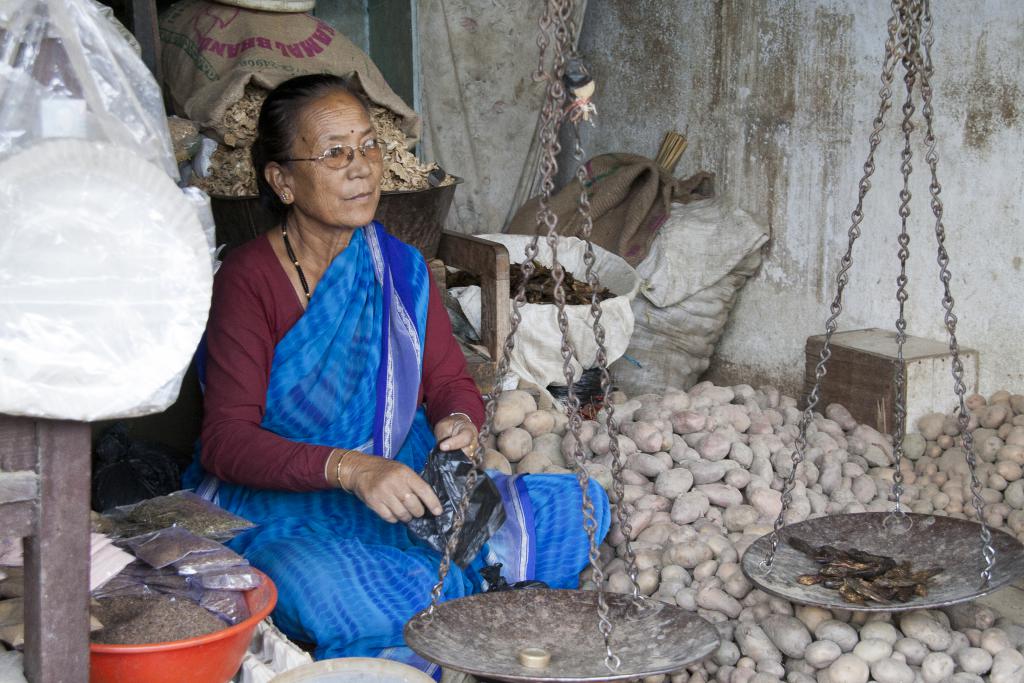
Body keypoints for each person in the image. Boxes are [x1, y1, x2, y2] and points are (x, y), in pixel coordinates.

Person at [184, 73, 610, 677]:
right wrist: (353, 469)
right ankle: (451, 604)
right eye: (334, 153)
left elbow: (449, 381)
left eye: (368, 146)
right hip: (285, 499)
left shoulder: (399, 266)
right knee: (334, 591)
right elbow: (226, 441)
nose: (361, 169)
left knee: (578, 507)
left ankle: (452, 599)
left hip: (405, 476)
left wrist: (461, 422)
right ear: (282, 180)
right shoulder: (249, 281)